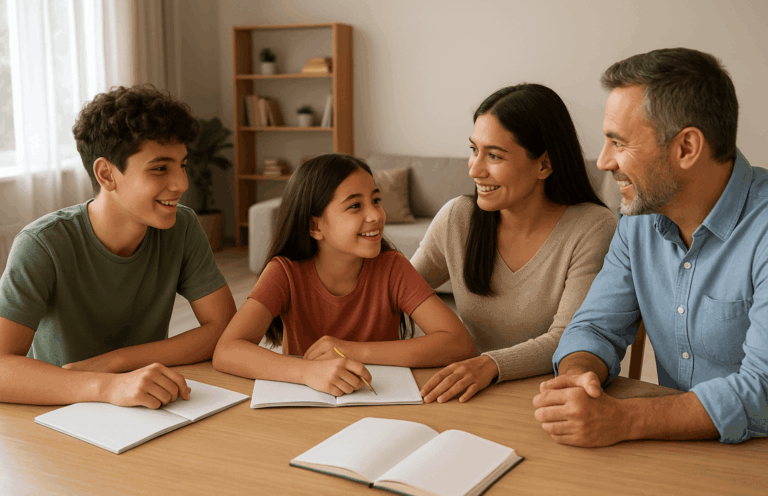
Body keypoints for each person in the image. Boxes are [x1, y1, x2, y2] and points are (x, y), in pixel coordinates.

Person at [534, 47, 768, 446]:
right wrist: (578, 376)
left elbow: (762, 390)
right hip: (678, 452)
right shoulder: (637, 220)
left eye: (618, 143)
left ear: (686, 148)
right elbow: (594, 327)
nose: (603, 161)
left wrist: (624, 420)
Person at [0, 85, 236, 409]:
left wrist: (114, 363)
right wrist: (108, 386)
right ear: (106, 174)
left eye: (182, 164)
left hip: (147, 405)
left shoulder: (182, 227)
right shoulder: (42, 245)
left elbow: (224, 328)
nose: (182, 183)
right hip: (58, 413)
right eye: (159, 168)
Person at [412, 84, 617, 403]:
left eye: (494, 155)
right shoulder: (458, 218)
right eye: (474, 149)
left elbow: (570, 338)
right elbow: (396, 293)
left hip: (548, 395)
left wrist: (489, 364)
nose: (475, 169)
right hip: (468, 393)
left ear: (544, 165)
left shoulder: (592, 227)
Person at [212, 154, 474, 396]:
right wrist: (307, 372)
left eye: (376, 201)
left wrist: (350, 350)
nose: (376, 215)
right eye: (355, 206)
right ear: (315, 226)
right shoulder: (284, 272)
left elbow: (459, 343)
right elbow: (226, 351)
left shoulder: (392, 267)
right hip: (306, 402)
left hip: (378, 399)